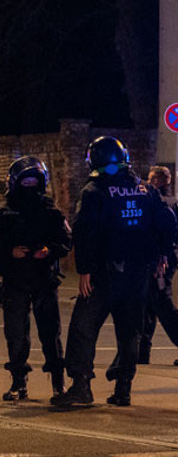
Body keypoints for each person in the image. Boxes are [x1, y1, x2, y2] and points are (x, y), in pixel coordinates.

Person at [52, 136, 173, 407]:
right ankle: (123, 389)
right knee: (130, 331)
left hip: (103, 273)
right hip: (138, 274)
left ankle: (81, 387)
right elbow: (167, 222)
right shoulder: (146, 190)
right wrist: (162, 255)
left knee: (83, 328)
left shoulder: (95, 191)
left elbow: (84, 232)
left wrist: (84, 270)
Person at [0, 157, 71, 401]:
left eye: (34, 181)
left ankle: (58, 384)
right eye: (25, 181)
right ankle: (19, 383)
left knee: (50, 334)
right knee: (16, 334)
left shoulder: (50, 212)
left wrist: (49, 251)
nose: (30, 186)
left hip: (43, 280)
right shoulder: (5, 214)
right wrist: (10, 252)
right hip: (14, 282)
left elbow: (66, 242)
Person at [138, 166, 178, 367]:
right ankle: (142, 352)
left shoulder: (162, 203)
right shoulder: (170, 202)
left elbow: (164, 234)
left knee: (162, 304)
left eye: (153, 179)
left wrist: (161, 256)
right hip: (163, 258)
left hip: (160, 260)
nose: (150, 183)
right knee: (148, 305)